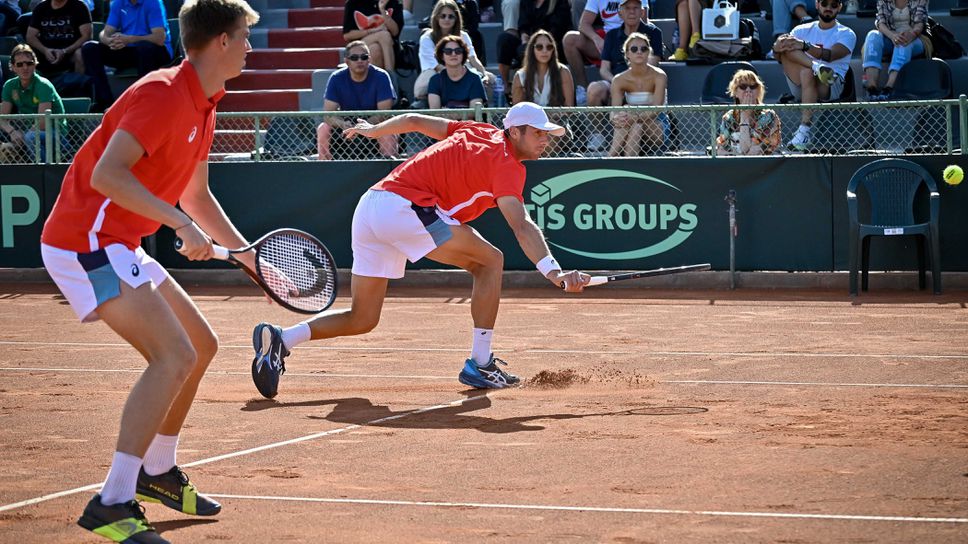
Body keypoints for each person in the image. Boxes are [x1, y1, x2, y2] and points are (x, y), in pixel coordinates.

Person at [39, 1, 260, 542]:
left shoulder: (206, 103)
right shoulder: (161, 94)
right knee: (173, 355)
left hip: (119, 240)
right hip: (83, 240)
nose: (251, 48)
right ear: (222, 42)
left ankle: (156, 470)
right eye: (245, 37)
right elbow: (110, 176)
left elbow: (197, 195)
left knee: (200, 345)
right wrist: (179, 225)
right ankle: (112, 501)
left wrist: (246, 253)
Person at [249, 101, 589, 399]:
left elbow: (413, 120)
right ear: (515, 132)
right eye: (538, 133)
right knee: (489, 262)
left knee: (363, 318)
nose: (546, 139)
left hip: (371, 205)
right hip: (405, 208)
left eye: (547, 133)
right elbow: (521, 224)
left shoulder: (477, 130)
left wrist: (373, 130)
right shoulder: (507, 165)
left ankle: (282, 338)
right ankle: (481, 363)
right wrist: (553, 271)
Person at [772, 0, 855, 151]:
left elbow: (830, 56)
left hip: (830, 84)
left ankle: (804, 129)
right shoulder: (800, 30)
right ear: (817, 4)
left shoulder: (847, 33)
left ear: (840, 8)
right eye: (824, 3)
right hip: (802, 83)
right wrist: (777, 47)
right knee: (793, 56)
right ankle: (816, 67)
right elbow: (779, 56)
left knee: (806, 72)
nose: (828, 8)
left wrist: (804, 45)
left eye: (834, 5)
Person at [81, 0, 174, 111]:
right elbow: (105, 33)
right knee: (90, 48)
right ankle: (105, 103)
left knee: (144, 47)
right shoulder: (118, 3)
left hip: (156, 51)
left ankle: (146, 100)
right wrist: (110, 41)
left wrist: (129, 39)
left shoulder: (153, 2)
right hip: (130, 49)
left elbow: (159, 38)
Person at [317, 40, 397, 160]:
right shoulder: (336, 78)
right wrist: (343, 124)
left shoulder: (382, 76)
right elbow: (328, 115)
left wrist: (364, 127)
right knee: (323, 128)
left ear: (369, 59)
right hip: (345, 126)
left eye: (364, 57)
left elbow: (384, 114)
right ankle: (324, 164)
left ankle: (389, 166)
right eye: (354, 57)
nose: (360, 61)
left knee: (387, 128)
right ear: (347, 61)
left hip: (375, 125)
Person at [415, 0, 493, 101]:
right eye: (443, 16)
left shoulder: (463, 35)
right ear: (436, 17)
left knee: (492, 80)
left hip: (461, 69)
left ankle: (485, 113)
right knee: (421, 89)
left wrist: (484, 74)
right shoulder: (427, 38)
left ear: (456, 19)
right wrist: (462, 78)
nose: (446, 19)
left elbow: (473, 59)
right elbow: (437, 66)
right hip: (437, 73)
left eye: (451, 16)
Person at [511, 30, 574, 155]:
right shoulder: (520, 76)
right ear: (532, 49)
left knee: (551, 128)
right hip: (530, 124)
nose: (544, 51)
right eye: (539, 47)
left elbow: (569, 108)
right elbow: (517, 110)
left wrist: (548, 117)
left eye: (549, 47)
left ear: (553, 50)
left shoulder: (563, 71)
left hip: (557, 122)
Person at [0, 45, 66, 163]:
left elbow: (42, 123)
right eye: (20, 64)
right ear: (13, 67)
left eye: (29, 63)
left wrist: (21, 136)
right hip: (26, 131)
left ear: (35, 64)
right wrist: (12, 132)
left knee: (30, 137)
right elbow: (2, 118)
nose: (25, 68)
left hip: (56, 134)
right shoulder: (9, 85)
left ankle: (42, 168)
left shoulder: (43, 85)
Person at [495, 0, 573, 92]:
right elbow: (523, 25)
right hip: (530, 42)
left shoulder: (559, 3)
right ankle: (505, 87)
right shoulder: (527, 2)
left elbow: (558, 29)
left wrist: (538, 43)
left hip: (551, 45)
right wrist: (525, 39)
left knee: (525, 50)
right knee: (504, 40)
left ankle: (531, 89)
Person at [608, 33, 666, 157]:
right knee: (635, 125)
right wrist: (615, 118)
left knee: (629, 113)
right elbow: (614, 111)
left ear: (648, 52)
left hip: (656, 126)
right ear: (627, 54)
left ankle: (610, 157)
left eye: (643, 49)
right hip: (631, 124)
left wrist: (633, 117)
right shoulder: (618, 79)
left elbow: (657, 110)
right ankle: (628, 163)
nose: (639, 52)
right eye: (634, 49)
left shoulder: (659, 76)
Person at [861, 0, 928, 100]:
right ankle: (871, 88)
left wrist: (911, 35)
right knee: (872, 35)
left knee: (903, 44)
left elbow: (919, 24)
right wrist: (893, 36)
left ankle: (889, 88)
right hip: (890, 36)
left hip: (915, 37)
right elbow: (881, 23)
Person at [24, 0, 92, 98]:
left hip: (70, 53)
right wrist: (45, 50)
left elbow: (87, 36)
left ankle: (77, 93)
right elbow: (30, 36)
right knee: (23, 54)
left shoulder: (79, 6)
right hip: (46, 53)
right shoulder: (42, 7)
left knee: (80, 54)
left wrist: (65, 51)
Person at [561, 0, 623, 104]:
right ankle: (583, 92)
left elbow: (641, 22)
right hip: (606, 41)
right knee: (570, 40)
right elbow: (583, 24)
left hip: (629, 42)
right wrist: (596, 39)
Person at [715, 69, 781, 155]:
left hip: (763, 162)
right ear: (735, 92)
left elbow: (749, 150)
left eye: (753, 86)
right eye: (743, 87)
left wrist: (744, 117)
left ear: (759, 91)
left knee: (755, 151)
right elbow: (721, 150)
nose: (748, 90)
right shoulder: (729, 117)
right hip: (733, 163)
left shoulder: (768, 116)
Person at [342, 0, 403, 72]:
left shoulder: (393, 2)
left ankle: (380, 80)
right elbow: (347, 35)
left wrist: (382, 10)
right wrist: (373, 31)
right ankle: (391, 77)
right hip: (360, 45)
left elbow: (395, 32)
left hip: (388, 46)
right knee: (384, 35)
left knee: (375, 49)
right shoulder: (352, 3)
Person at [427, 34, 486, 109]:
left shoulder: (474, 78)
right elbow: (435, 111)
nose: (453, 54)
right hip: (443, 121)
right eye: (448, 51)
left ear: (463, 54)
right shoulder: (435, 80)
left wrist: (448, 113)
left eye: (458, 51)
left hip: (468, 121)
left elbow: (474, 111)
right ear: (442, 56)